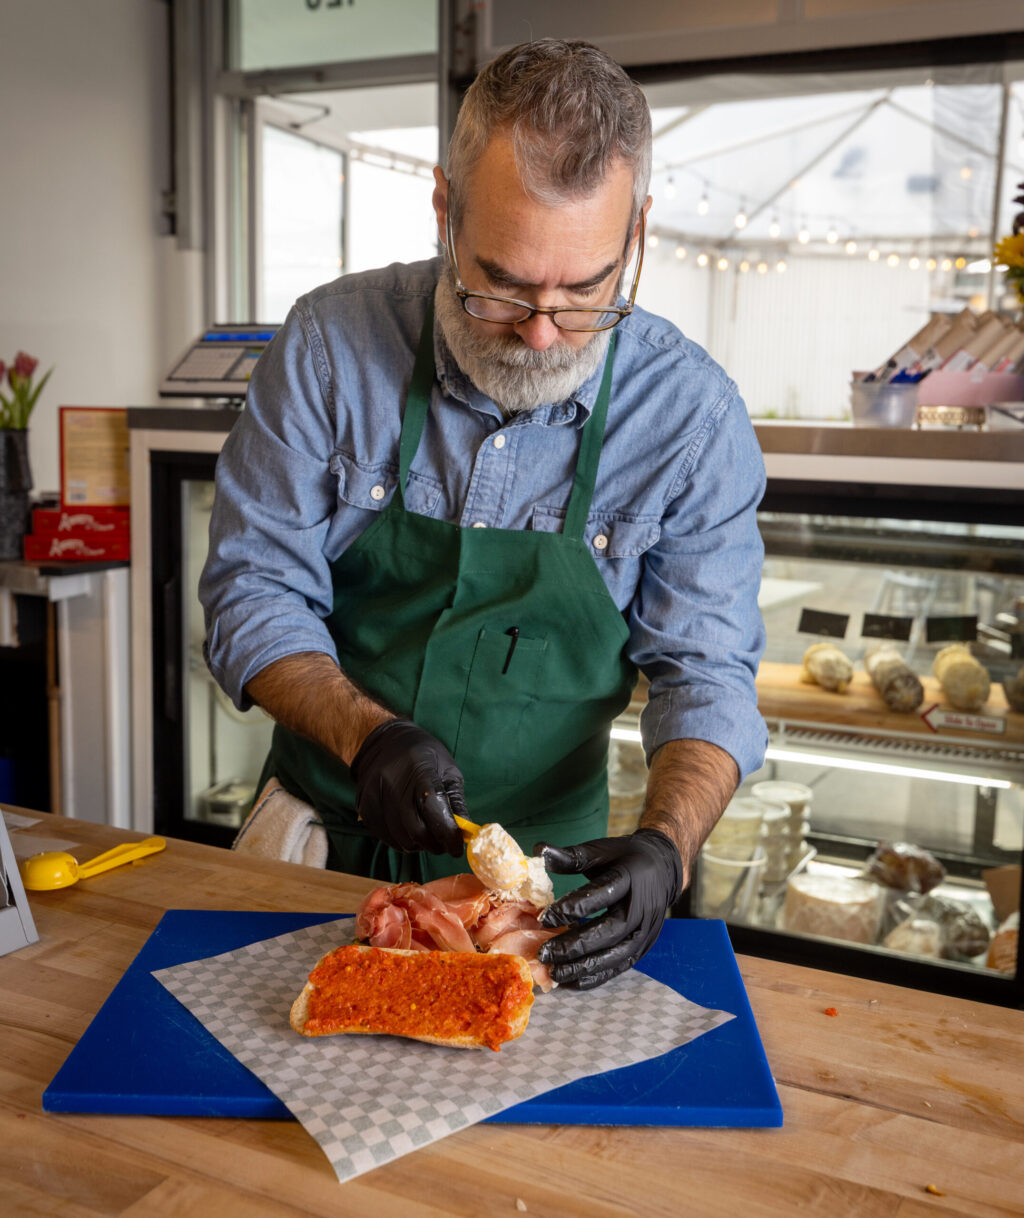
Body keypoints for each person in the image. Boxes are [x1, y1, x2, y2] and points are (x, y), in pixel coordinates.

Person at [199, 38, 767, 990]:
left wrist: (667, 850)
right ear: (444, 207)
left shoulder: (692, 418)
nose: (542, 332)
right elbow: (251, 590)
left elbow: (706, 673)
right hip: (316, 845)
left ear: (637, 235)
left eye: (586, 291)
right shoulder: (331, 348)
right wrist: (365, 734)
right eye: (499, 282)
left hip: (551, 896)